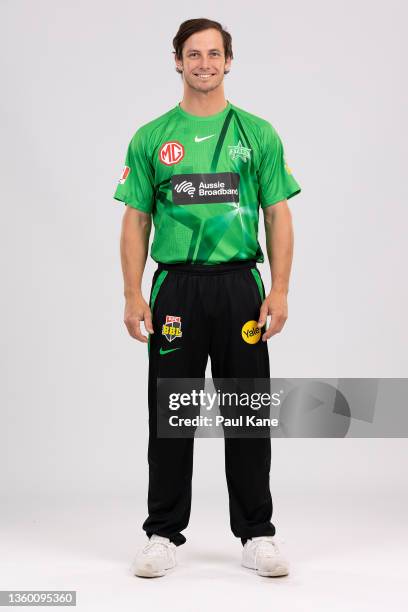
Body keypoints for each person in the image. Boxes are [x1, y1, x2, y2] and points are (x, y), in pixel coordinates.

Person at [114, 17, 301, 578]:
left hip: (241, 285)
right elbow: (135, 219)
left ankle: (256, 533)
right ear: (177, 61)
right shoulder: (152, 136)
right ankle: (162, 533)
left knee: (246, 413)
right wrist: (132, 293)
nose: (203, 63)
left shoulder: (257, 133)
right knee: (173, 413)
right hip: (176, 288)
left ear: (228, 61)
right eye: (192, 54)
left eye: (213, 53)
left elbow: (278, 213)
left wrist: (282, 289)